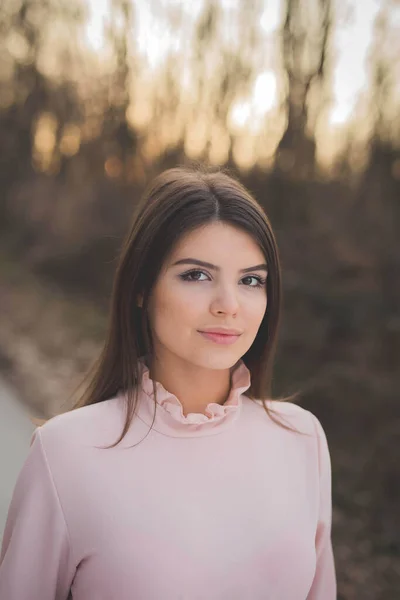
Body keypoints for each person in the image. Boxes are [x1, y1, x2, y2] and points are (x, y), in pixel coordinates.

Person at [0, 166, 336, 599]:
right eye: (196, 275)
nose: (229, 305)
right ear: (142, 287)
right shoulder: (65, 453)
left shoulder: (302, 438)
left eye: (251, 280)